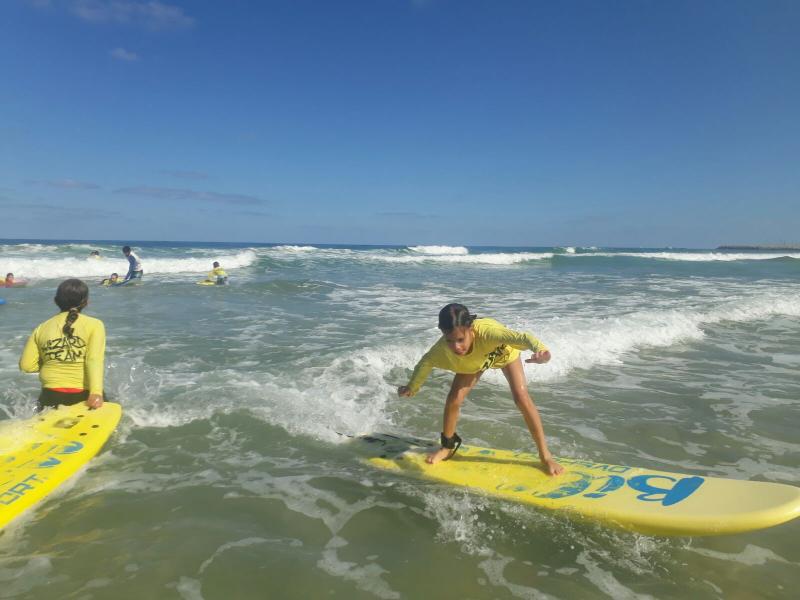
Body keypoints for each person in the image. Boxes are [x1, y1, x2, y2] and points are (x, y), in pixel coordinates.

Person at [397, 303, 564, 476]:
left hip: (503, 354)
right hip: (475, 362)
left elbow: (524, 338)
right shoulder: (441, 349)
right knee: (453, 399)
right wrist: (412, 387)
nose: (456, 347)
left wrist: (542, 352)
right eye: (450, 340)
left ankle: (545, 456)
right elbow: (426, 363)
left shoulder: (489, 333)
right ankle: (447, 447)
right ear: (442, 332)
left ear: (470, 329)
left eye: (460, 340)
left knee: (521, 398)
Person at [19, 279, 106, 411]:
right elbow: (93, 360)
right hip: (84, 395)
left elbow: (26, 366)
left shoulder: (41, 328)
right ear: (86, 302)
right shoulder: (95, 325)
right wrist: (96, 392)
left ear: (56, 301)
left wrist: (53, 361)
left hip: (50, 396)